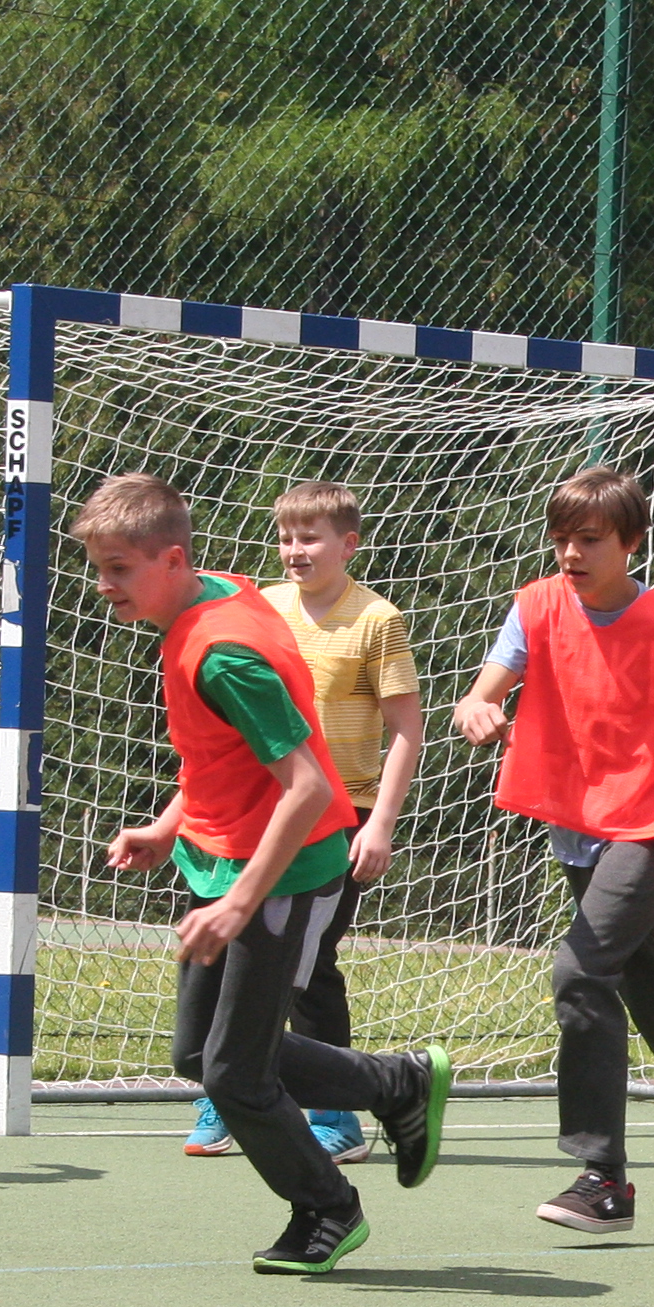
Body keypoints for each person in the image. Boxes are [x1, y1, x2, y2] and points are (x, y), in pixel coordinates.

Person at [77, 470, 451, 1277]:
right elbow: (223, 757)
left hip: (281, 876)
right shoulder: (218, 596)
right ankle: (398, 1084)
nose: (103, 585)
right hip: (223, 865)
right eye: (99, 567)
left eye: (119, 568)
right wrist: (167, 826)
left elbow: (307, 786)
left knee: (236, 1075)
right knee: (198, 1056)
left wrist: (238, 904)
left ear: (173, 559)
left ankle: (327, 1207)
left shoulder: (223, 655)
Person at [451, 465, 654, 1236]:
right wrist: (476, 709)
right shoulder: (536, 608)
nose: (571, 553)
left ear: (630, 542)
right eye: (561, 539)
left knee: (578, 970)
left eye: (589, 539)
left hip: (653, 820)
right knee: (652, 998)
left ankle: (602, 1178)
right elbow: (485, 689)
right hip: (578, 824)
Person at [182, 479, 423, 1164]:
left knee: (306, 967)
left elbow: (407, 729)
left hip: (341, 817)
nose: (295, 550)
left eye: (310, 537)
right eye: (286, 537)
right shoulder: (260, 608)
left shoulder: (377, 620)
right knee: (228, 954)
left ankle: (335, 1114)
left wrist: (380, 824)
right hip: (260, 812)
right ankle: (222, 1088)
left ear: (348, 545)